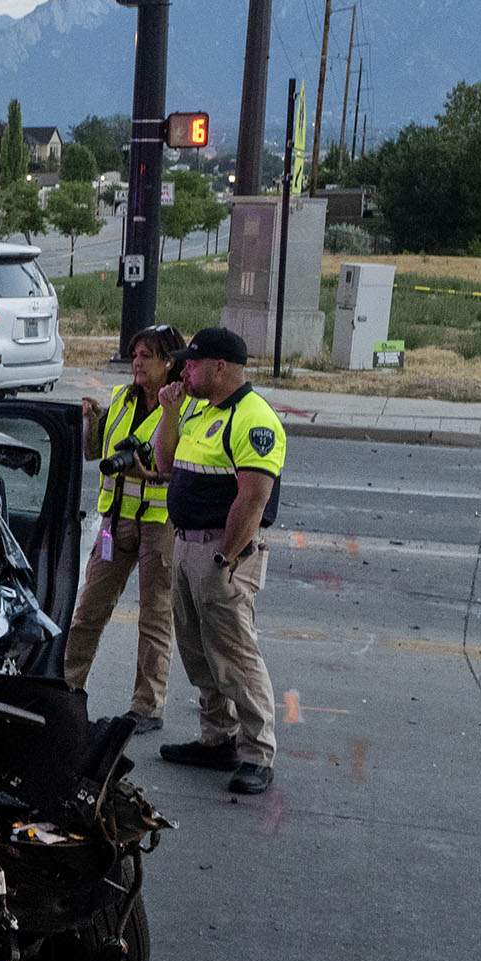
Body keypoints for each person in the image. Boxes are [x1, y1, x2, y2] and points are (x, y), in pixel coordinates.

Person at [147, 324, 288, 795]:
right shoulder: (198, 410)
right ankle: (217, 738)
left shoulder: (254, 418)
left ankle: (257, 753)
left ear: (220, 367)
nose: (184, 369)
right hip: (188, 545)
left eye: (192, 363)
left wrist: (227, 557)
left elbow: (252, 500)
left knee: (235, 655)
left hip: (222, 552)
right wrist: (168, 411)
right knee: (197, 649)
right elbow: (165, 466)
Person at [64, 324, 184, 730]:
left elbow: (178, 470)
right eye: (135, 354)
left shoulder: (183, 409)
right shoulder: (120, 398)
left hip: (158, 524)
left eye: (147, 355)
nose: (137, 362)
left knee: (154, 618)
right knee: (88, 611)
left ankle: (147, 706)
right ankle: (67, 684)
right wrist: (93, 421)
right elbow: (95, 453)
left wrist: (146, 473)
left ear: (170, 362)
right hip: (116, 520)